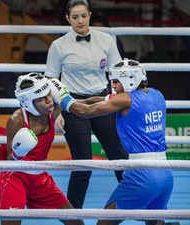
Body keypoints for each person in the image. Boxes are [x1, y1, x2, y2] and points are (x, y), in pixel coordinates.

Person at [62, 58, 174, 225]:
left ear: (129, 80)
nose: (113, 85)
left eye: (116, 81)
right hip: (165, 174)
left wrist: (61, 97)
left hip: (141, 174)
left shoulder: (125, 100)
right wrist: (76, 100)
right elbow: (99, 100)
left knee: (105, 222)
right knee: (155, 222)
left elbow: (85, 112)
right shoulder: (157, 94)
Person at [44, 0, 128, 209]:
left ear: (90, 15)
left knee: (119, 157)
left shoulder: (106, 40)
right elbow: (51, 80)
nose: (80, 21)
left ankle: (141, 206)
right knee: (83, 164)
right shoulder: (59, 46)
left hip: (102, 101)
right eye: (75, 17)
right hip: (73, 104)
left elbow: (118, 74)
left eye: (83, 16)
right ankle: (73, 218)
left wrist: (119, 103)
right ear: (67, 19)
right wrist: (58, 111)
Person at [0, 72, 83, 225]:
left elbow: (81, 104)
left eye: (49, 95)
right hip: (16, 176)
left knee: (74, 221)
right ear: (28, 102)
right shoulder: (17, 120)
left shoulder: (53, 110)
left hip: (39, 176)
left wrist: (107, 99)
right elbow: (9, 158)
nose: (49, 101)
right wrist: (18, 152)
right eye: (42, 98)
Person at [0, 0, 55, 98]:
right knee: (13, 89)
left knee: (34, 86)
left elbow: (46, 37)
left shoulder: (26, 20)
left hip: (19, 67)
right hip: (1, 66)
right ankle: (14, 110)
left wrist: (58, 51)